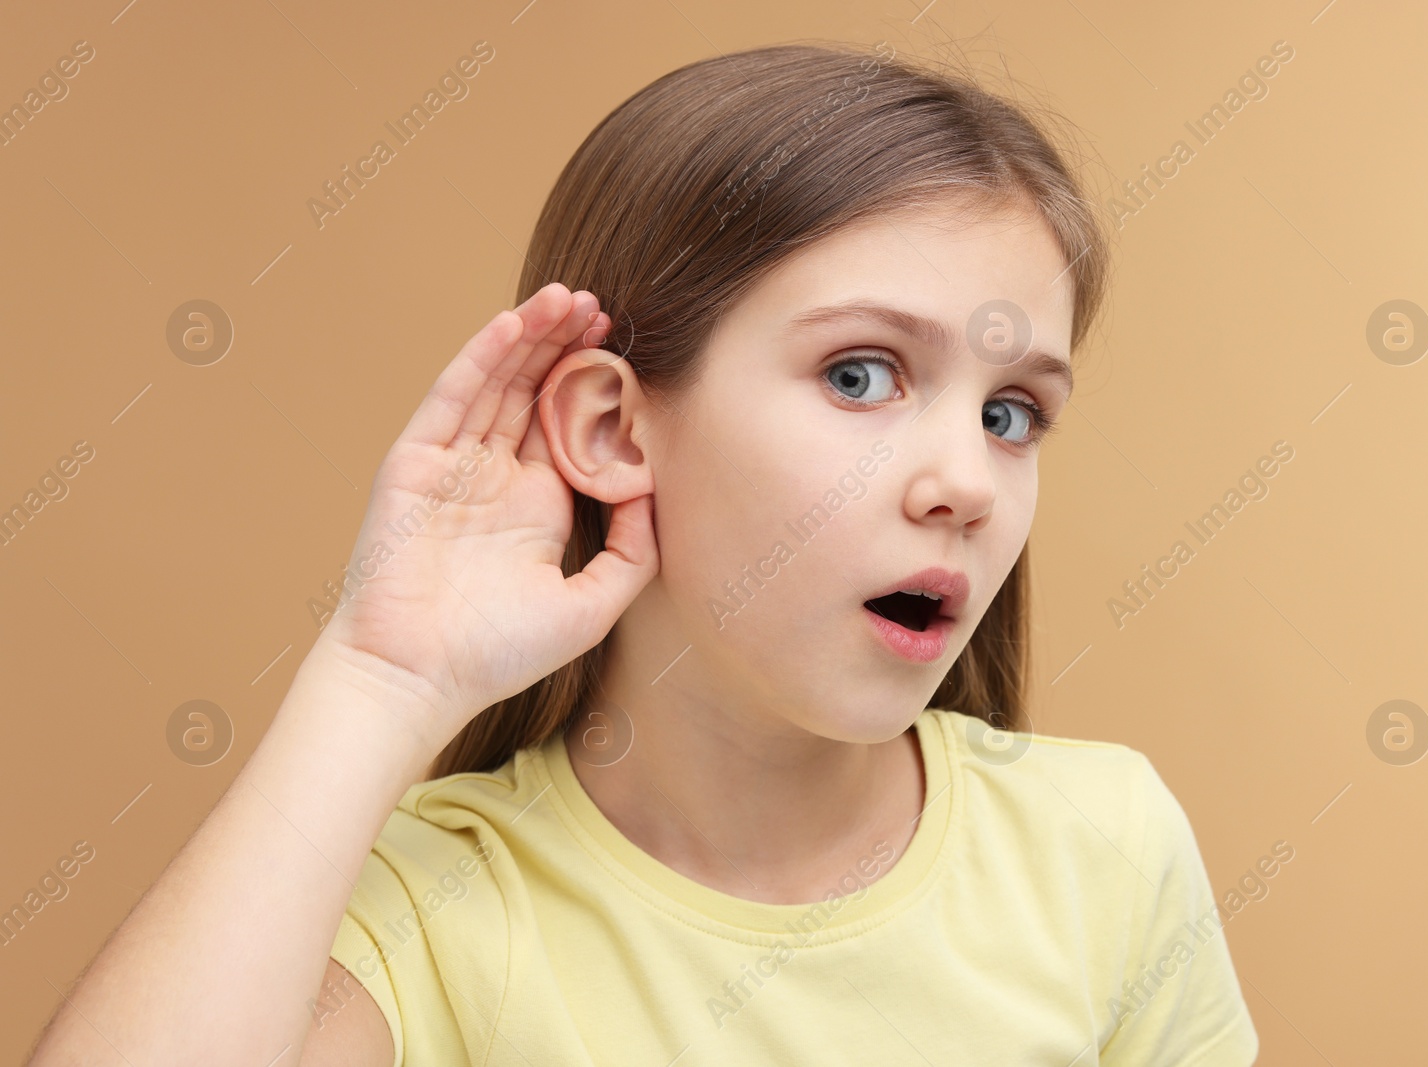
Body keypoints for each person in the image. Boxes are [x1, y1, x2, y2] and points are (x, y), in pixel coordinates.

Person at [28, 41, 1258, 1066]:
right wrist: (376, 678)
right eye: (860, 373)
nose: (968, 484)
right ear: (617, 427)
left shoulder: (1101, 846)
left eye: (1010, 414)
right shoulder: (430, 904)